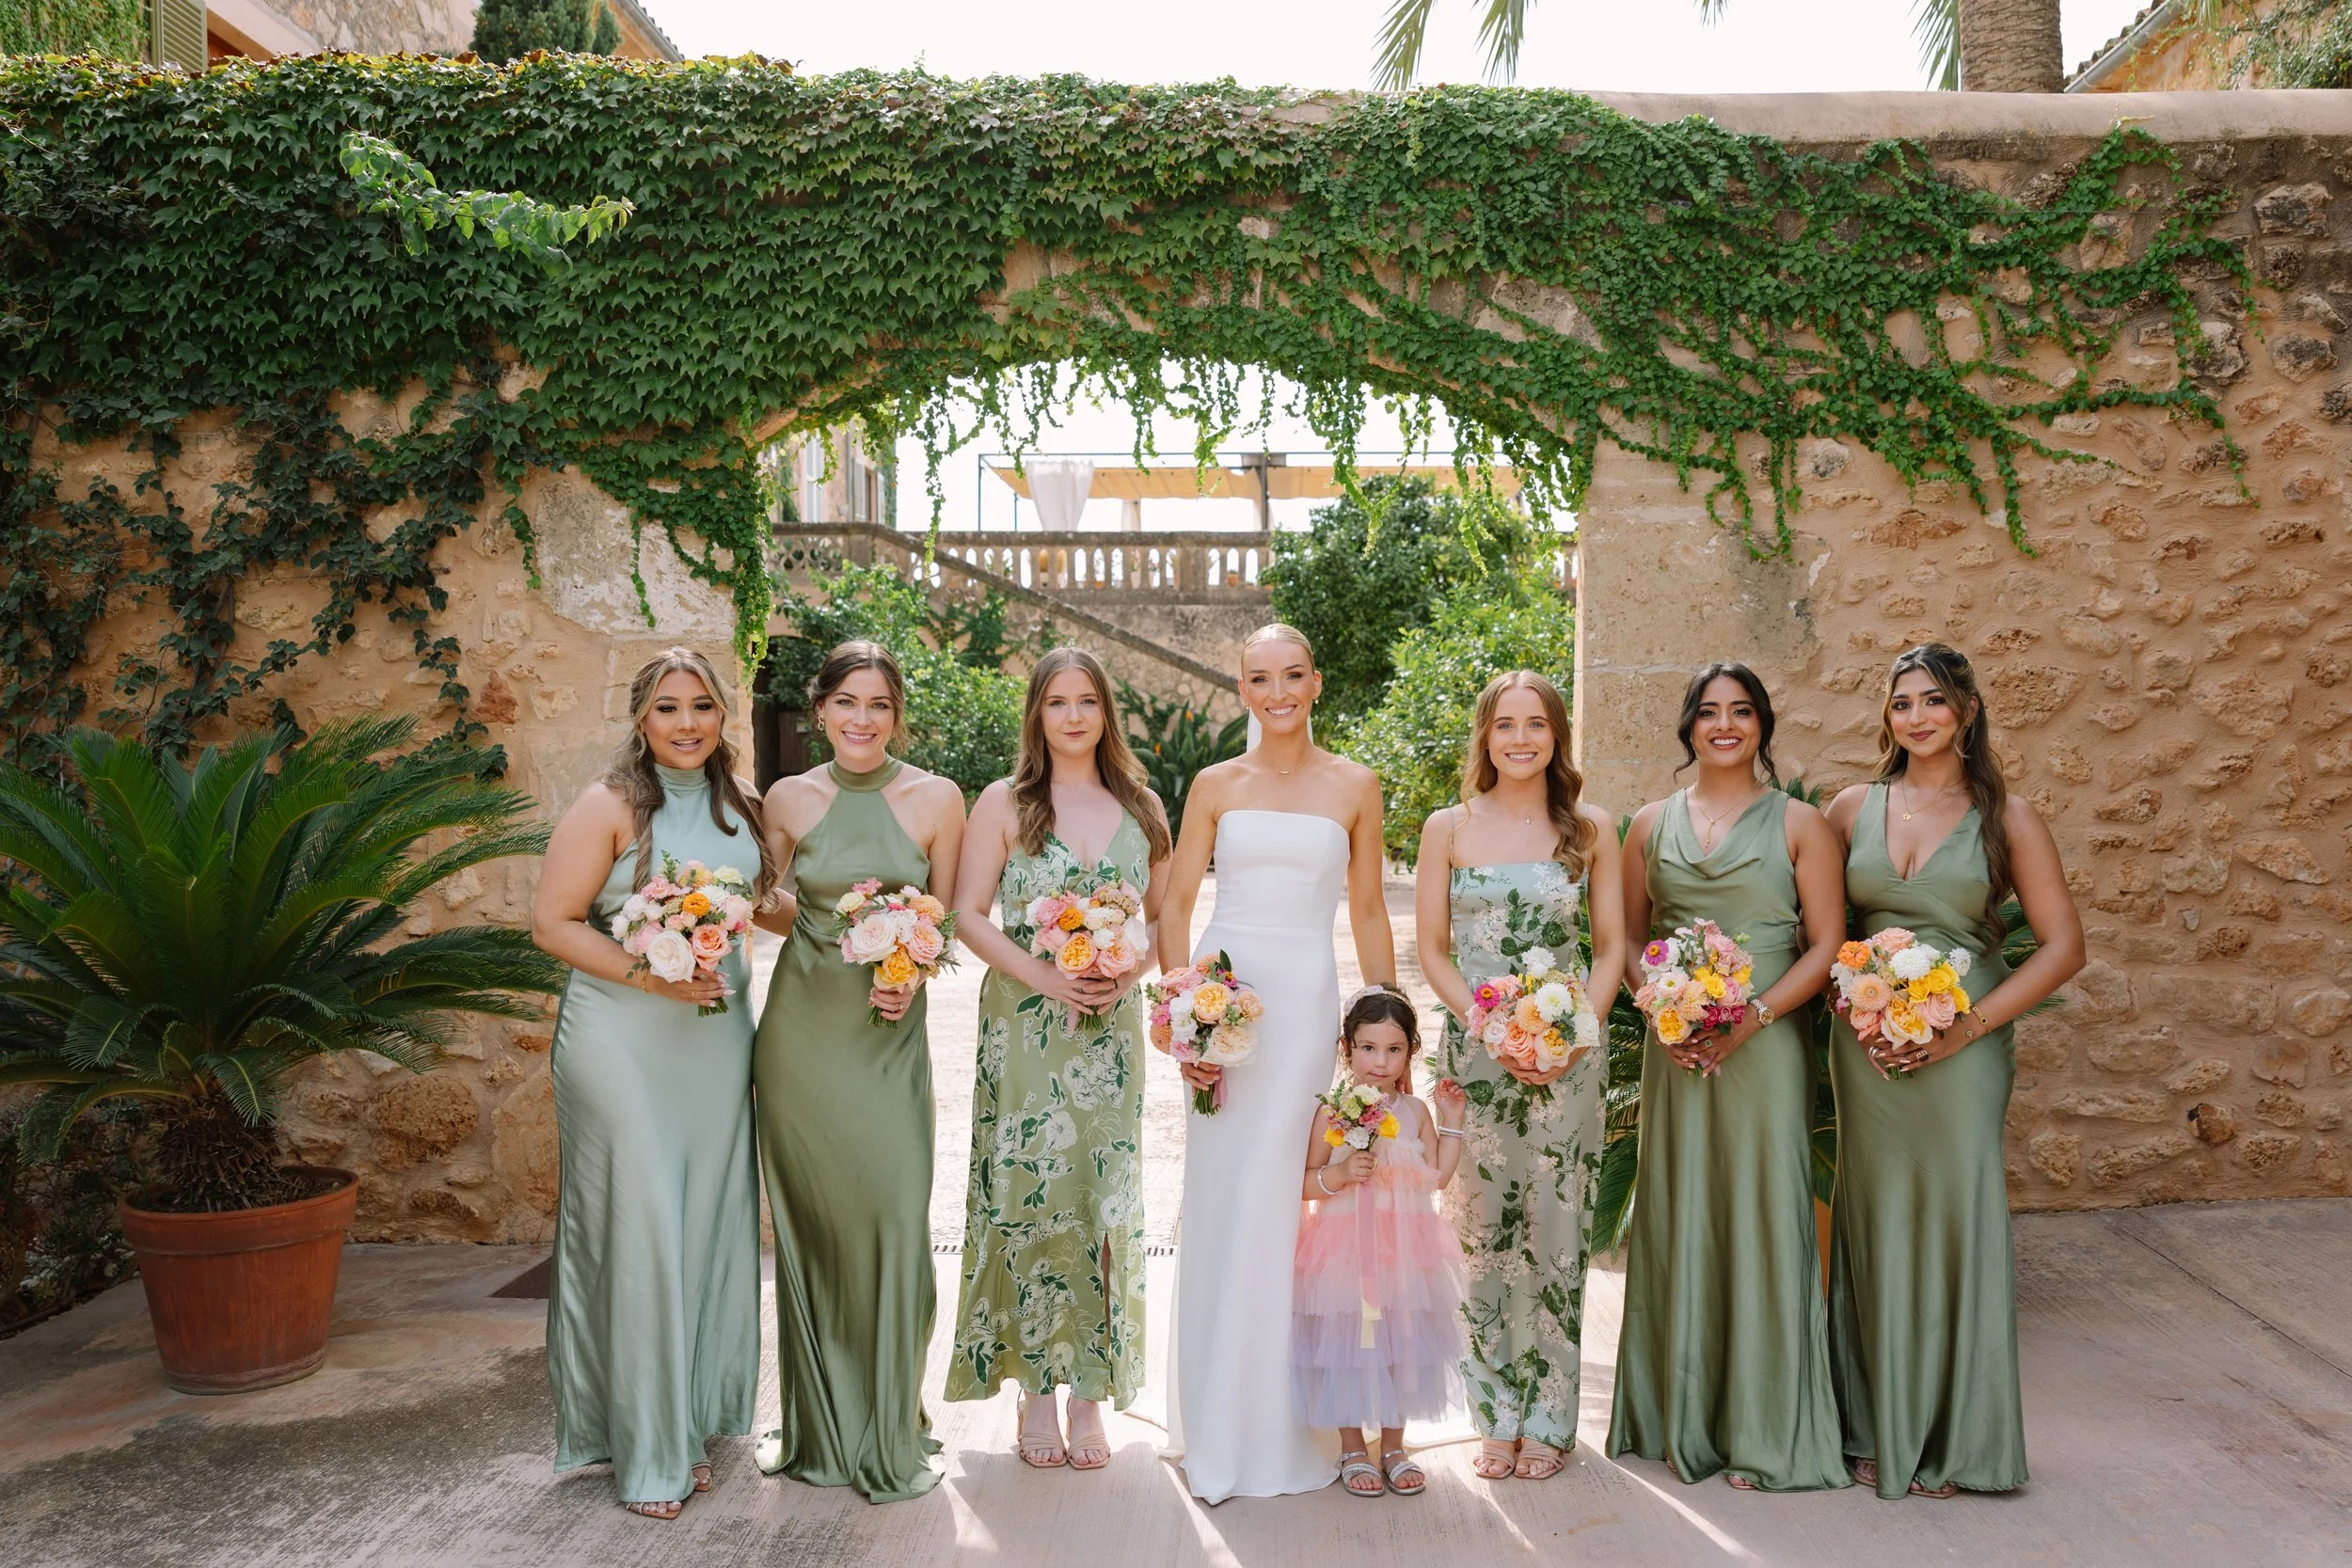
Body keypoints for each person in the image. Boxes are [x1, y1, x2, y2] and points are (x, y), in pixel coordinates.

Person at [1824, 642, 2084, 1499]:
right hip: (1868, 1050)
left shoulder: (2006, 817)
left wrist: (1967, 1027)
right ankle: (1871, 1424)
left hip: (1962, 1048)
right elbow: (1814, 931)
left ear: (1967, 712)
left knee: (1953, 1218)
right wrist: (1843, 994)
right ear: (1887, 717)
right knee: (1876, 1216)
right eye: (1903, 702)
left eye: (1934, 700)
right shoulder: (1850, 808)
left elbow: (2063, 947)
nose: (1918, 716)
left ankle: (1950, 1437)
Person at [531, 647, 776, 1520]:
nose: (686, 724)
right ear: (641, 720)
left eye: (702, 707)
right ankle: (646, 1447)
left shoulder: (739, 806)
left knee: (705, 1225)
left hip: (714, 1046)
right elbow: (552, 922)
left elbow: (770, 902)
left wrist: (876, 913)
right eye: (667, 708)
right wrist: (652, 973)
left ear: (722, 718)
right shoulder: (609, 806)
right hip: (623, 1042)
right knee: (643, 1229)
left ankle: (689, 1421)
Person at [1158, 623, 1397, 1504]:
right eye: (1261, 677)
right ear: (1242, 686)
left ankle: (1300, 1420)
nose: (1279, 690)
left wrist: (1387, 1022)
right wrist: (1185, 1018)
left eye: (1293, 673)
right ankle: (1220, 1419)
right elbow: (1178, 903)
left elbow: (1369, 909)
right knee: (1228, 1198)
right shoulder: (1215, 783)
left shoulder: (1356, 784)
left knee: (1295, 1198)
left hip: (1303, 1004)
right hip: (1227, 1007)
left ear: (1317, 680)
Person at [1606, 662, 1851, 1491]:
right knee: (1684, 1214)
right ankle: (1681, 1419)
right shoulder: (1647, 824)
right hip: (1679, 1055)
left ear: (1762, 726)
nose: (1724, 725)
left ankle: (1766, 1427)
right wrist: (1661, 1006)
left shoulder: (1802, 825)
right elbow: (1634, 945)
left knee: (1762, 1212)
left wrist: (1755, 1016)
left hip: (1765, 1046)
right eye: (1708, 712)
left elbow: (1826, 945)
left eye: (1741, 711)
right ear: (1687, 727)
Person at [945, 646, 1172, 1471]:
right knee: (1028, 1194)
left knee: (1101, 1201)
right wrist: (1046, 974)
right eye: (1056, 702)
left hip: (1108, 1036)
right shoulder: (1006, 801)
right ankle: (1034, 1394)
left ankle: (1089, 1397)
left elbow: (1165, 921)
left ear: (1107, 711)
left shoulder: (1144, 805)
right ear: (1036, 714)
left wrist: (1127, 972)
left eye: (1087, 701)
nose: (1073, 716)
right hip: (1026, 1028)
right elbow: (968, 914)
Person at [752, 640, 967, 1503]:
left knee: (891, 1214)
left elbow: (946, 920)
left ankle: (886, 1416)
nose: (862, 720)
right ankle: (823, 1422)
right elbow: (772, 906)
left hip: (886, 1037)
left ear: (897, 712)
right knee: (815, 1230)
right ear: (821, 708)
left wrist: (908, 960)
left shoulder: (936, 798)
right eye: (847, 702)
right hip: (802, 1035)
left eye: (878, 704)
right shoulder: (788, 797)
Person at [1413, 669, 1624, 1481]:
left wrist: (1577, 1032)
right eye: (1506, 725)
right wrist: (1490, 1025)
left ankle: (1551, 1417)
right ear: (1485, 735)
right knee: (1481, 1233)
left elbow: (1609, 948)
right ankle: (1493, 1413)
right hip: (1478, 1057)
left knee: (1554, 1234)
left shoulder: (1589, 828)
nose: (1521, 738)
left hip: (1569, 1061)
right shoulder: (1448, 828)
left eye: (1536, 724)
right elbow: (1434, 948)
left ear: (1556, 735)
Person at [1293, 986, 1470, 1499]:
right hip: (1345, 1250)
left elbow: (1436, 1177)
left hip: (1406, 1252)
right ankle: (1352, 1444)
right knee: (1349, 1343)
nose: (1380, 1061)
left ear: (1410, 1052)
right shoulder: (1333, 1111)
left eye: (1393, 1050)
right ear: (1347, 1048)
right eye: (1368, 1048)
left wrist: (1452, 1123)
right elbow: (1303, 1180)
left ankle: (1394, 1444)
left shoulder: (1414, 1111)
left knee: (1401, 1344)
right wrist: (1342, 1173)